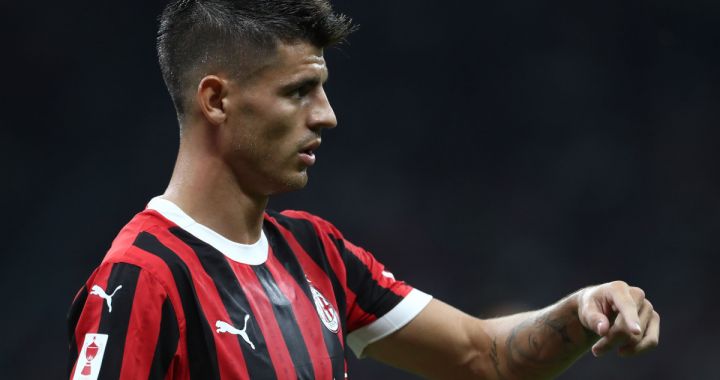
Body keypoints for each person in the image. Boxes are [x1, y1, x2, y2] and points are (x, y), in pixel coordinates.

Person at [67, 0, 660, 379]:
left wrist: (582, 312)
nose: (327, 116)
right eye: (300, 90)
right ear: (217, 100)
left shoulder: (315, 253)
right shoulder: (145, 275)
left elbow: (484, 355)